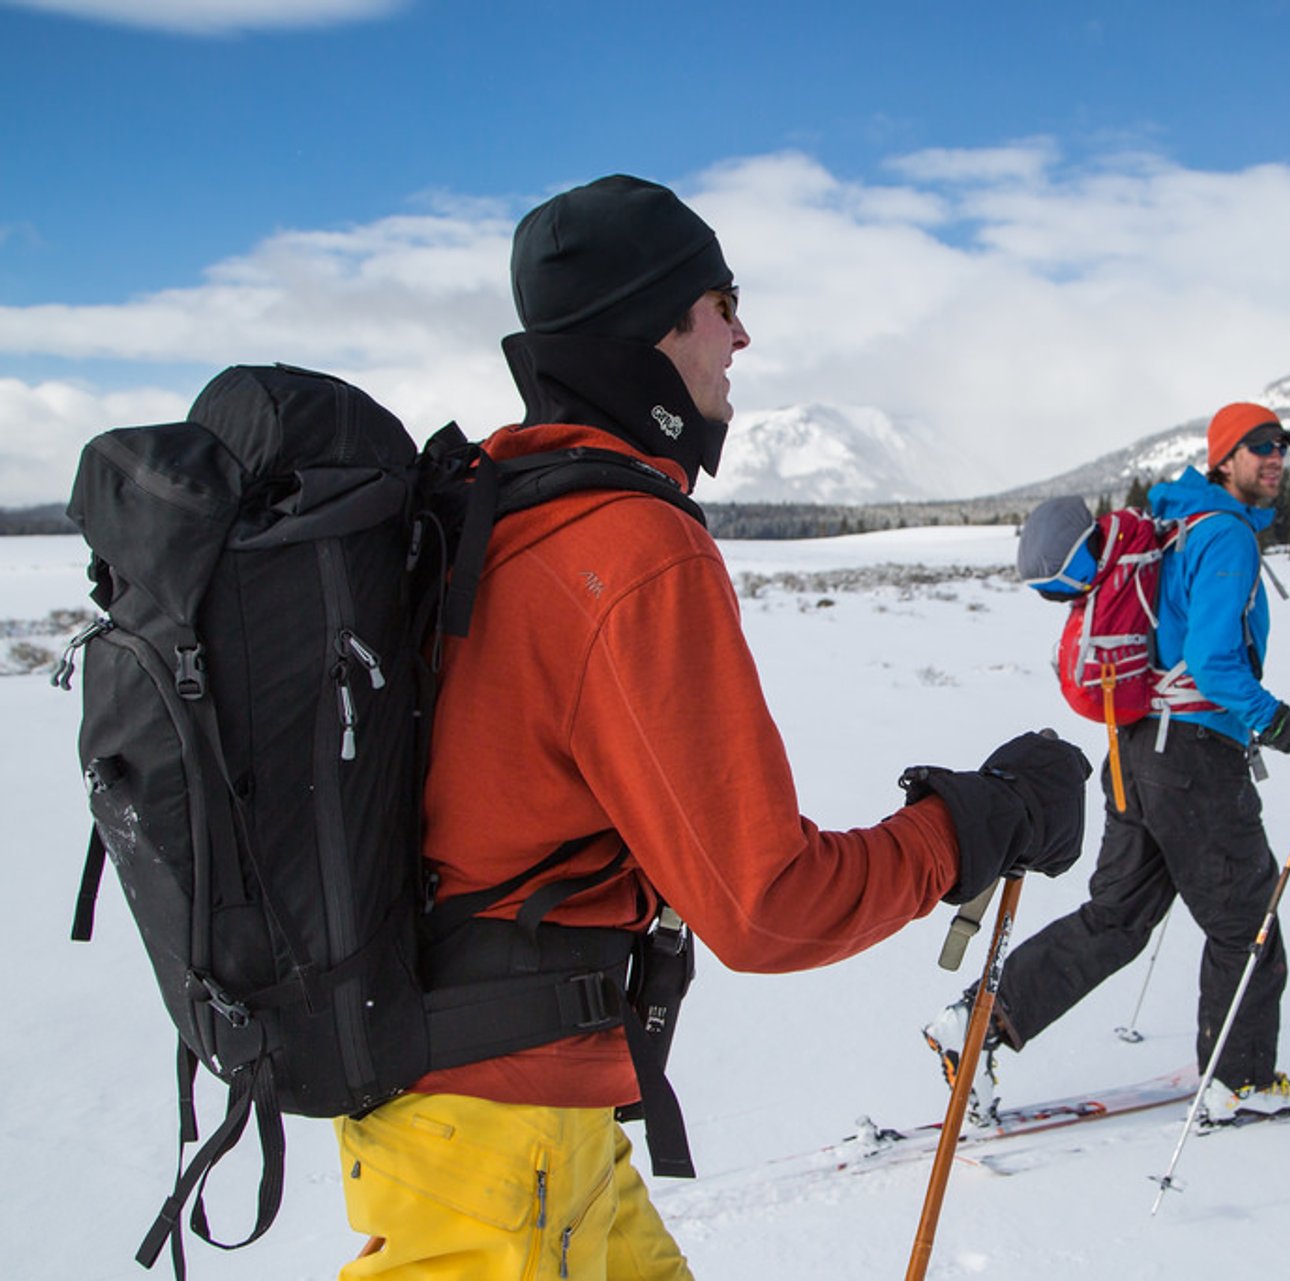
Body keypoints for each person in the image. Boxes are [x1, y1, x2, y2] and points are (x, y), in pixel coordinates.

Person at [332, 174, 1090, 1280]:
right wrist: (979, 824)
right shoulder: (624, 547)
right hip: (499, 1150)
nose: (742, 333)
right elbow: (766, 907)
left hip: (510, 1122)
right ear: (652, 321)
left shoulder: (493, 513)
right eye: (719, 301)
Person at [923, 402, 1290, 1125]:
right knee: (1245, 925)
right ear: (1224, 459)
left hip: (1135, 751)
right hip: (1191, 762)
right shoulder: (1223, 537)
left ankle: (974, 1026)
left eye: (1281, 444)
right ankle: (1240, 1085)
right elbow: (1215, 665)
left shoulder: (1181, 526)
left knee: (1115, 920)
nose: (1275, 456)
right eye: (1259, 446)